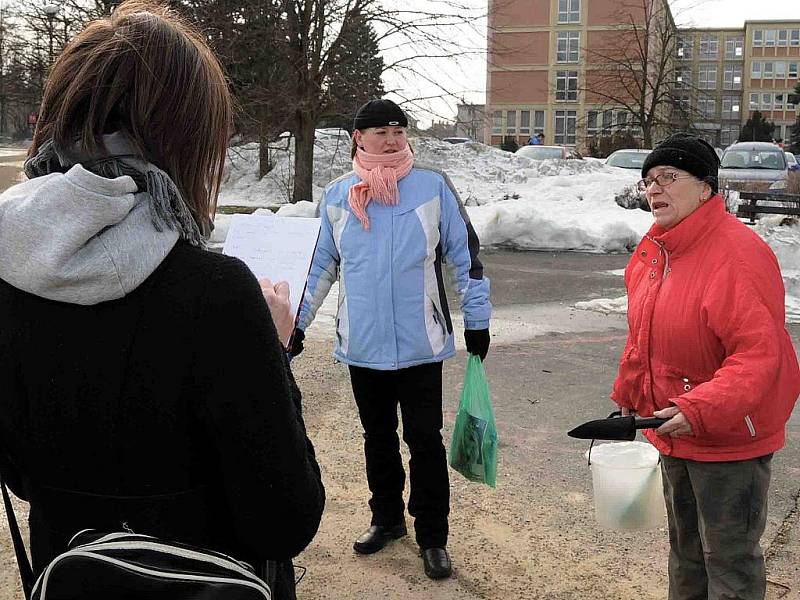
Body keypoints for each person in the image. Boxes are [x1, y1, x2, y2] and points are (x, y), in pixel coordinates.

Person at [0, 2, 324, 598]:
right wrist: (273, 349)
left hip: (70, 576)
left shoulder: (7, 274)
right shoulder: (218, 294)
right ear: (184, 140)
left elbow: (21, 475)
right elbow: (285, 520)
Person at [292, 98, 491, 580]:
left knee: (424, 439)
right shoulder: (339, 195)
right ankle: (386, 518)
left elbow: (465, 256)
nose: (392, 139)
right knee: (376, 438)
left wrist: (477, 318)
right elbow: (321, 265)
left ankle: (433, 536)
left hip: (421, 343)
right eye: (380, 131)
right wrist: (295, 325)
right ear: (358, 138)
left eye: (399, 131)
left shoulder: (432, 186)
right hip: (363, 344)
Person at [611, 133, 800, 600]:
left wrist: (699, 408)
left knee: (730, 563)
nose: (654, 189)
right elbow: (645, 339)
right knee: (686, 554)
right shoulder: (656, 249)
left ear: (705, 187)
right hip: (674, 430)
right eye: (649, 180)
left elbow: (759, 356)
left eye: (669, 178)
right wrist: (629, 398)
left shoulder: (738, 254)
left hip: (729, 440)